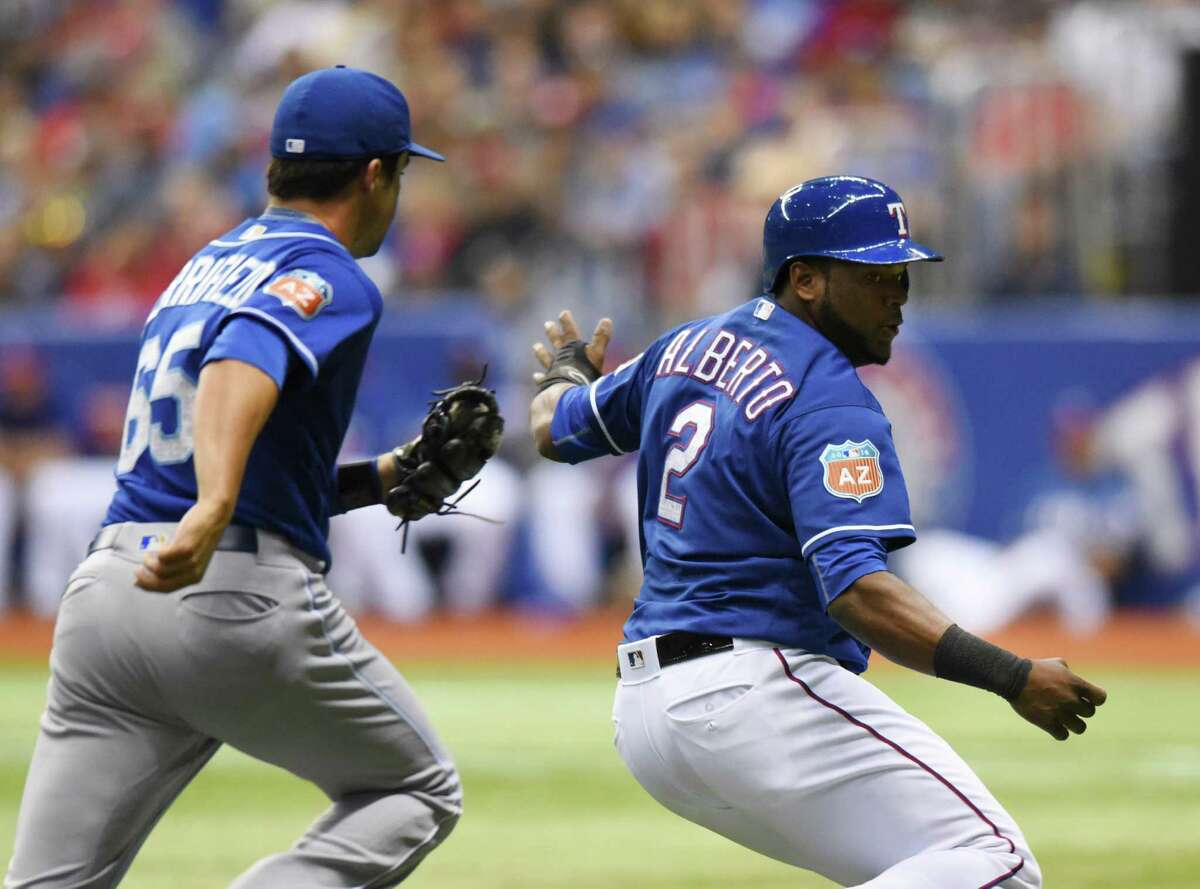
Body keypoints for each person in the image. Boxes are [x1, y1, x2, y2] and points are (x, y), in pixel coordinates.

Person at [528, 176, 1106, 888]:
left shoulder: (683, 346)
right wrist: (1012, 675)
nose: (897, 294)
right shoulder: (829, 395)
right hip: (750, 687)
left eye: (902, 274)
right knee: (999, 864)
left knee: (919, 867)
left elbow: (552, 428)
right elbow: (858, 594)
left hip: (646, 714)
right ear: (804, 278)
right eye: (874, 275)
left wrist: (562, 372)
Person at [6, 66, 484, 889]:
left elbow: (240, 444)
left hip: (108, 597)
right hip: (227, 587)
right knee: (414, 788)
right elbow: (242, 358)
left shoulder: (200, 266)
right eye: (401, 172)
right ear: (375, 174)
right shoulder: (329, 271)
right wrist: (214, 504)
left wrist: (386, 476)